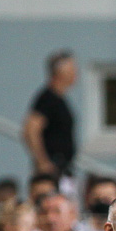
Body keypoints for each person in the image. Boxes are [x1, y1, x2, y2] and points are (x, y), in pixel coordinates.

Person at [24, 49, 78, 178]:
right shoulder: (47, 98)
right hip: (53, 169)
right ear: (60, 72)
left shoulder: (60, 98)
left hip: (63, 167)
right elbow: (31, 130)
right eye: (72, 69)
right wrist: (43, 162)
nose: (75, 73)